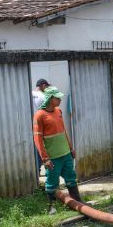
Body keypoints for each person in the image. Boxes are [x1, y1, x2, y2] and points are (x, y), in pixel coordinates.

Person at [33, 86, 81, 214]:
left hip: (66, 153)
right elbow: (37, 139)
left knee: (71, 178)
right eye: (57, 98)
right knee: (52, 182)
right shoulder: (39, 115)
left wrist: (70, 148)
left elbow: (63, 131)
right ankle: (51, 207)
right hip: (53, 157)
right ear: (50, 98)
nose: (60, 100)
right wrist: (45, 159)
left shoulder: (58, 111)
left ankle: (78, 203)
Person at [31, 79, 50, 175]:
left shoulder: (30, 93)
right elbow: (46, 111)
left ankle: (36, 170)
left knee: (36, 146)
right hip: (40, 124)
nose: (46, 89)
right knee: (42, 146)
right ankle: (46, 169)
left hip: (31, 123)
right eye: (46, 87)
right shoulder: (43, 96)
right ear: (43, 85)